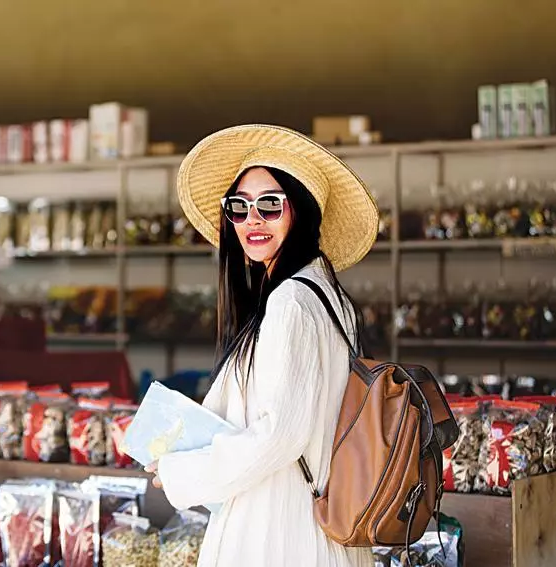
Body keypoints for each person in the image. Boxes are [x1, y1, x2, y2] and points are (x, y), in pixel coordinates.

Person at [146, 125, 380, 566]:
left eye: (270, 204)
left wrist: (183, 470)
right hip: (313, 522)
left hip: (279, 531)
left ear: (302, 211)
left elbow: (280, 434)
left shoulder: (291, 301)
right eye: (239, 206)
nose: (252, 219)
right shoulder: (329, 298)